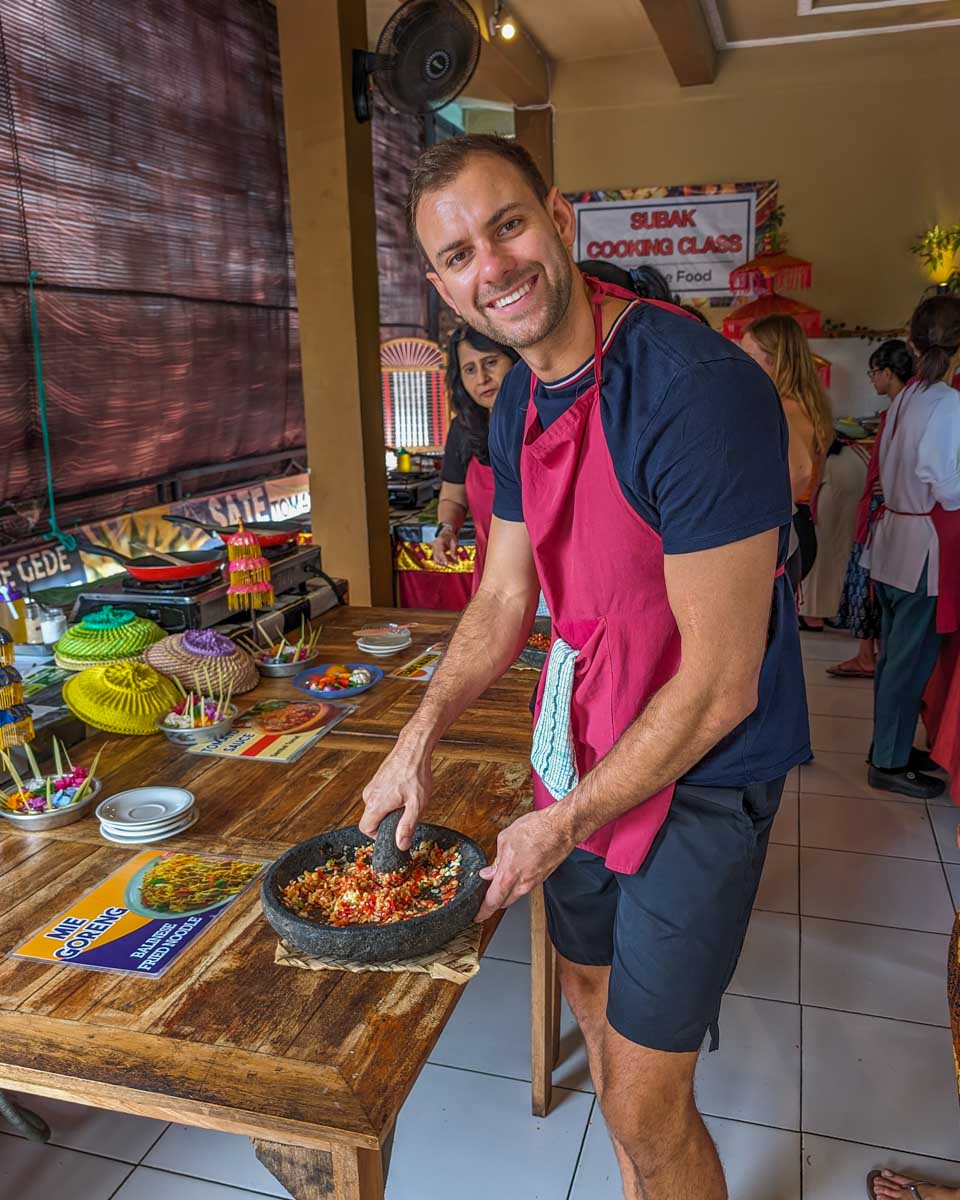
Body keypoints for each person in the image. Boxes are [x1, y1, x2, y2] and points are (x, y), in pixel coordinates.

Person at [360, 133, 810, 1200]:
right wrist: (414, 742)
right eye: (460, 254)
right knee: (595, 1014)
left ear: (558, 221)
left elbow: (719, 683)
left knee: (653, 1108)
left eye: (507, 226)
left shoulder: (691, 388)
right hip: (586, 735)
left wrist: (560, 823)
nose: (494, 266)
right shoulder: (518, 395)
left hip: (698, 767)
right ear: (442, 286)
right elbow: (506, 597)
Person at [861, 294, 960, 799]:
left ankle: (888, 743)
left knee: (894, 658)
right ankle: (889, 760)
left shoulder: (908, 396)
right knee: (909, 660)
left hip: (894, 540)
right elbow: (947, 485)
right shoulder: (945, 402)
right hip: (921, 546)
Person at [830, 339, 915, 677]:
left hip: (886, 510)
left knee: (866, 580)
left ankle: (867, 655)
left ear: (888, 373)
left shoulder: (903, 411)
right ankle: (871, 653)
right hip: (888, 508)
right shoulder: (903, 409)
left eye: (874, 372)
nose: (871, 379)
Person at [741, 315, 834, 591]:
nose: (743, 363)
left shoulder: (783, 406)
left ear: (776, 360)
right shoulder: (807, 404)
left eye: (749, 355)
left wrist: (760, 519)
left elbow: (800, 471)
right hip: (800, 523)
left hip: (786, 527)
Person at [431, 326, 519, 592]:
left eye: (491, 362)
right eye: (470, 369)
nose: (482, 378)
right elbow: (452, 498)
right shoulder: (463, 430)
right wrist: (447, 529)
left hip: (550, 576)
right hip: (493, 580)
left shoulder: (542, 418)